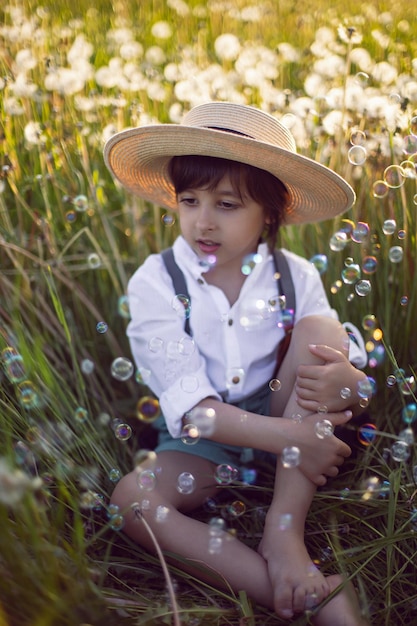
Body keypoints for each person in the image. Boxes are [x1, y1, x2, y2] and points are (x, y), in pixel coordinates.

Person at [104, 102, 370, 624]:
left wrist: (351, 381)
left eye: (226, 204)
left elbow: (343, 372)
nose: (202, 221)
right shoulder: (156, 282)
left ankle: (283, 529)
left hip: (285, 412)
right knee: (132, 500)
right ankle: (297, 594)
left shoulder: (294, 275)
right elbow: (195, 411)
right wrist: (294, 439)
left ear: (269, 213)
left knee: (321, 331)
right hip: (205, 441)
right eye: (190, 200)